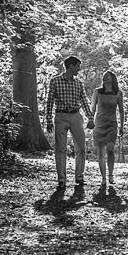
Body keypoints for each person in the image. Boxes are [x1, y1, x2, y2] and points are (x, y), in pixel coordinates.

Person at [45, 56, 94, 189]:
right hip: (60, 116)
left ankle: (79, 177)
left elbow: (84, 101)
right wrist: (48, 120)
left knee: (81, 148)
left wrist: (90, 118)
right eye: (77, 66)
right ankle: (61, 179)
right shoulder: (55, 81)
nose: (79, 69)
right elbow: (49, 102)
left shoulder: (78, 83)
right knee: (61, 149)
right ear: (71, 66)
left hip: (76, 116)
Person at [91, 70, 124, 187]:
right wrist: (90, 120)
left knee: (110, 149)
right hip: (99, 124)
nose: (104, 78)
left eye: (107, 76)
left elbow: (121, 110)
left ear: (112, 78)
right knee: (100, 153)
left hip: (112, 124)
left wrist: (122, 125)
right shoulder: (97, 92)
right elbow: (93, 108)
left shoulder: (118, 93)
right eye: (103, 76)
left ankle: (111, 175)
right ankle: (103, 178)